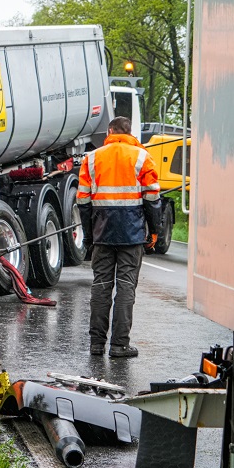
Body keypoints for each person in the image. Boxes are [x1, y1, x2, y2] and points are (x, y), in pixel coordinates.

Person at [77, 116, 161, 358]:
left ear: (110, 131)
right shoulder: (142, 157)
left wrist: (89, 236)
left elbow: (83, 202)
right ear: (129, 131)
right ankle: (119, 346)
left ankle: (96, 344)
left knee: (101, 287)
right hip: (132, 235)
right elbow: (152, 199)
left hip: (102, 233)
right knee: (126, 288)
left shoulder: (92, 158)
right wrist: (153, 231)